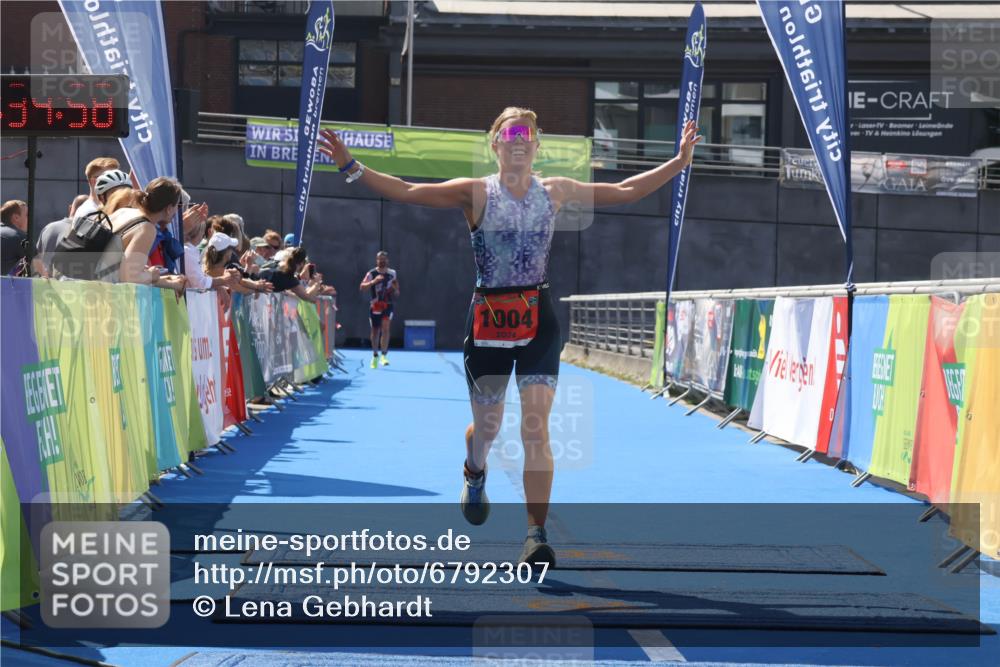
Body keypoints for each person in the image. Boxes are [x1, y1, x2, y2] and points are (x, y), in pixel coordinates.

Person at [319, 108, 700, 565]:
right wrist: (351, 165)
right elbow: (407, 191)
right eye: (509, 132)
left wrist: (679, 161)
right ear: (494, 143)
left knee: (535, 426)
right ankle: (474, 468)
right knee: (489, 427)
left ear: (537, 146)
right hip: (488, 322)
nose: (519, 139)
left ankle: (535, 534)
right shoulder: (476, 193)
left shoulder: (555, 190)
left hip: (537, 318)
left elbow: (623, 190)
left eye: (528, 133)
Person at [109, 177, 187, 291]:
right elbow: (130, 278)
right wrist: (152, 275)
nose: (177, 210)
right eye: (178, 205)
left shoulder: (124, 212)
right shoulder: (147, 228)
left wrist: (162, 280)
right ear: (169, 208)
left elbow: (120, 270)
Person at [359, 250, 399, 368]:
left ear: (387, 260)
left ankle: (384, 355)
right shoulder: (371, 273)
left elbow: (397, 290)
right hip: (375, 305)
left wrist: (395, 289)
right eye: (379, 259)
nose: (382, 261)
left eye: (384, 259)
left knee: (386, 328)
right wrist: (373, 282)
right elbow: (362, 287)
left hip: (387, 304)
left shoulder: (392, 273)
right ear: (377, 260)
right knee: (375, 330)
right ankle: (375, 355)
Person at [32, 194, 89, 277]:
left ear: (70, 208)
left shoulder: (48, 227)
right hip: (65, 286)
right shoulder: (83, 232)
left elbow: (36, 259)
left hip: (43, 284)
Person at [201, 232, 273, 295]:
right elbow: (244, 289)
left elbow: (241, 281)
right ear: (226, 253)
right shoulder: (225, 273)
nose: (233, 252)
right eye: (232, 249)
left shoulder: (203, 269)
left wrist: (257, 286)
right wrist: (257, 288)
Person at [74, 157, 121, 221]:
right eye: (110, 177)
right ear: (94, 182)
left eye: (117, 176)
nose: (117, 181)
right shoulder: (89, 213)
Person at [0, 200, 28, 275]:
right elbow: (38, 268)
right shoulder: (20, 237)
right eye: (27, 215)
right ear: (16, 217)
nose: (29, 219)